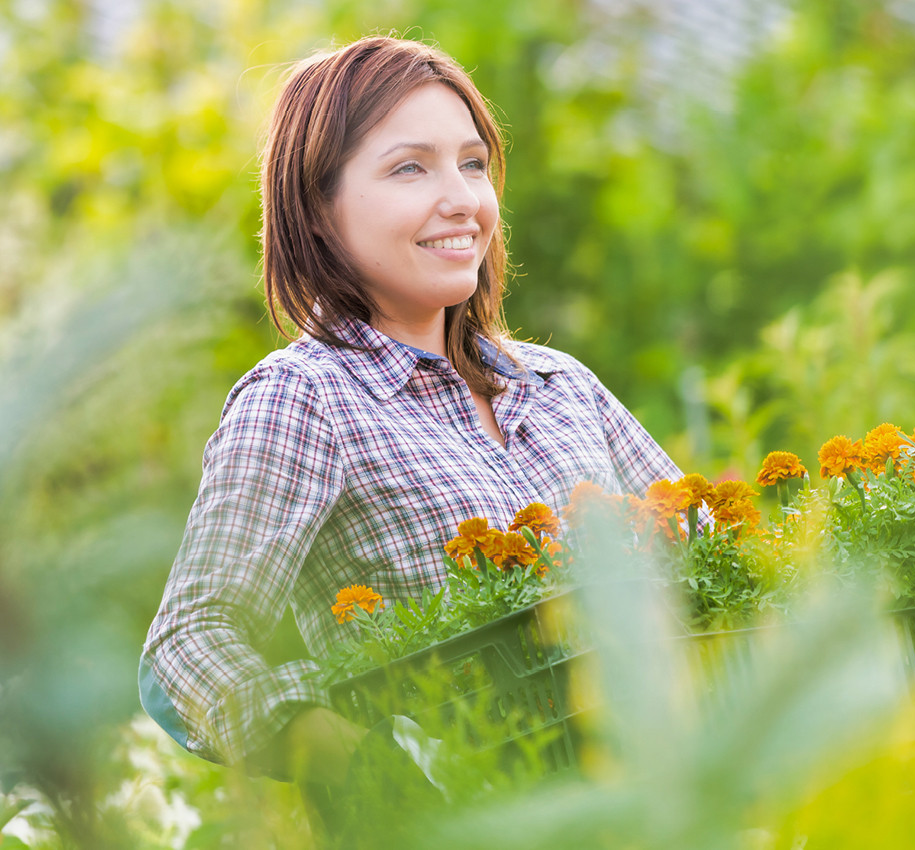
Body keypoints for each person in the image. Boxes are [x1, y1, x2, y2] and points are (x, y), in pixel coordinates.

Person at [139, 36, 681, 787]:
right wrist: (360, 765)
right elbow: (187, 649)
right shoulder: (306, 400)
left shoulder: (561, 386)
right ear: (319, 209)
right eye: (410, 168)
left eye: (473, 163)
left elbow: (713, 548)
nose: (462, 198)